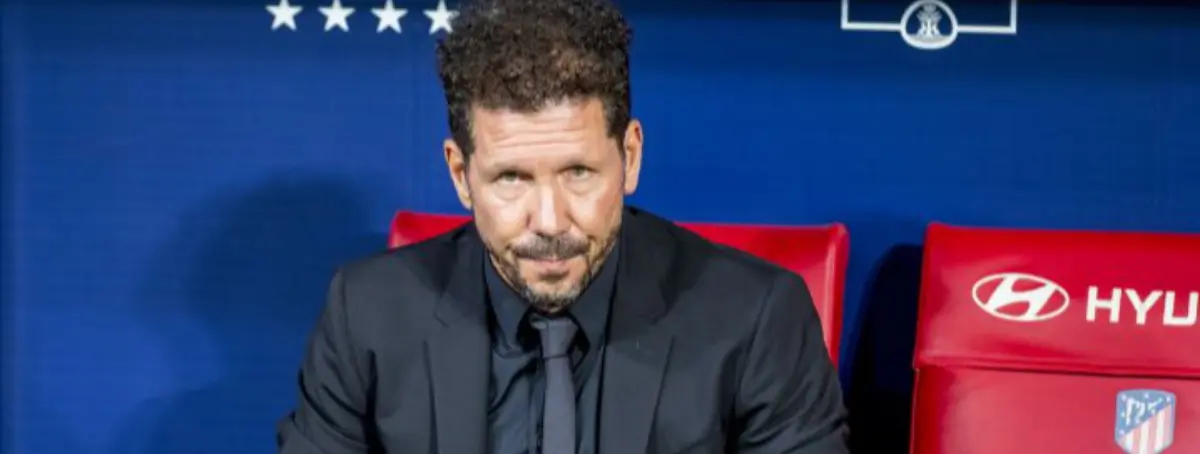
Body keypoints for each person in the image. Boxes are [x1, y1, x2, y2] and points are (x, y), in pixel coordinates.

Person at [275, 0, 850, 452]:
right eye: (511, 178)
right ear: (460, 174)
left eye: (578, 173)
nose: (549, 222)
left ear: (630, 156)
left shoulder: (755, 319)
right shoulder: (366, 314)